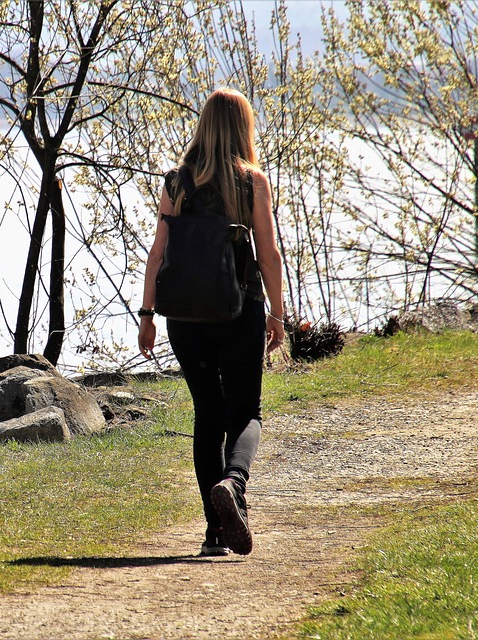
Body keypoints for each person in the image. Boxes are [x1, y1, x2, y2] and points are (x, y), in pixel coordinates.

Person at [137, 88, 285, 557]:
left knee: (207, 414)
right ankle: (234, 486)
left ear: (203, 126)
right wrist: (277, 314)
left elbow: (157, 254)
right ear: (243, 128)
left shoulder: (176, 182)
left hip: (183, 317)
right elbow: (269, 254)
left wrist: (146, 316)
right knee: (245, 414)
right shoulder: (251, 182)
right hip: (237, 311)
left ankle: (215, 533)